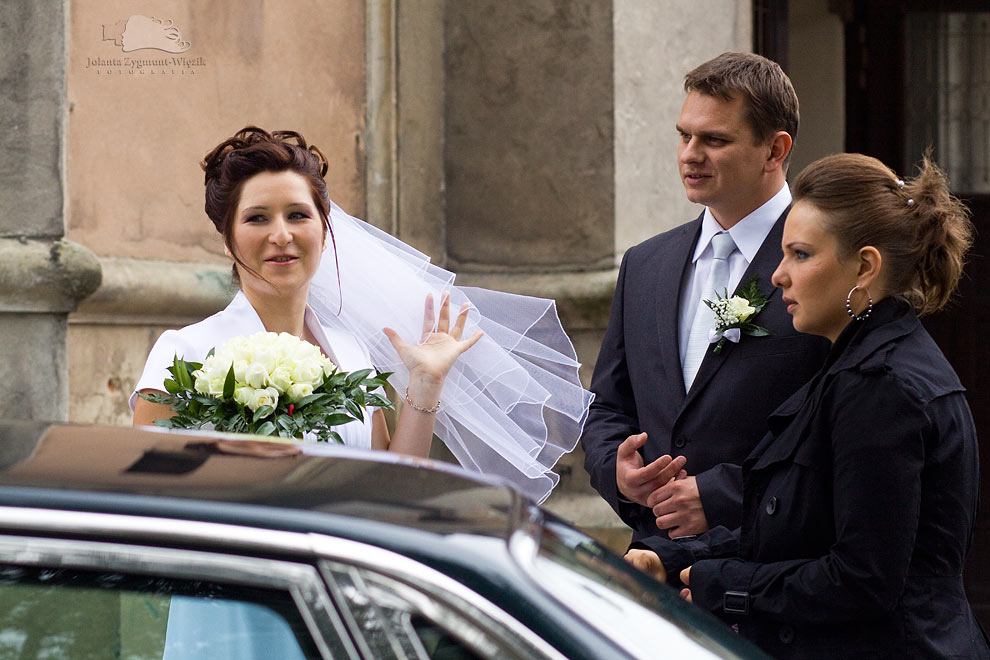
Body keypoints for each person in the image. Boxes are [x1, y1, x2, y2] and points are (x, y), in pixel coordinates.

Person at [627, 152, 989, 659]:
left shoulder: (882, 387)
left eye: (800, 254)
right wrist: (671, 557)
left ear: (864, 266)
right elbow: (791, 527)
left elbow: (861, 579)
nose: (777, 276)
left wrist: (716, 582)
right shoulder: (852, 365)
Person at [132, 127, 593, 503]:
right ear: (227, 238)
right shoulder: (185, 352)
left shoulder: (349, 351)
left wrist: (425, 383)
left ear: (325, 228)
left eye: (298, 215)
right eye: (257, 218)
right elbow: (149, 497)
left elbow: (389, 491)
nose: (281, 235)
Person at [581, 52, 829, 542]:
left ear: (775, 150)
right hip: (657, 563)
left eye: (714, 140)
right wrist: (620, 473)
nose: (690, 154)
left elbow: (835, 436)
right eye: (684, 135)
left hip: (774, 565)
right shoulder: (644, 264)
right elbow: (608, 405)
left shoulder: (825, 263)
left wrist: (721, 497)